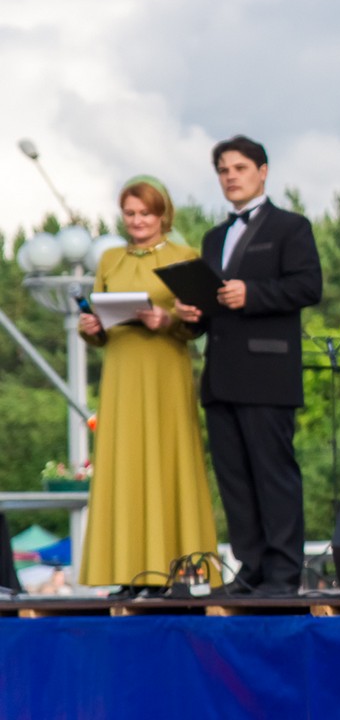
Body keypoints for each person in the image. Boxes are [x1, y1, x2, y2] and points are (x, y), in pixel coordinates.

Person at [175, 136, 323, 596]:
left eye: (239, 167)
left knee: (273, 475)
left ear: (262, 171)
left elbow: (308, 287)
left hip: (267, 375)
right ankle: (252, 568)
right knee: (234, 480)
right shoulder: (213, 237)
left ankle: (282, 574)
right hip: (219, 377)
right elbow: (211, 302)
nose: (230, 176)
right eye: (223, 170)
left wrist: (253, 294)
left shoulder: (291, 227)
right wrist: (193, 314)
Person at [77, 177, 218, 592]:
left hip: (165, 372)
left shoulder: (185, 255)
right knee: (123, 465)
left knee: (166, 458)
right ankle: (125, 573)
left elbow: (200, 322)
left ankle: (176, 572)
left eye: (146, 213)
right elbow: (97, 323)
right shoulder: (109, 260)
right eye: (130, 214)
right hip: (120, 372)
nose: (137, 221)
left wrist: (167, 320)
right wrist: (90, 327)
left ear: (162, 215)